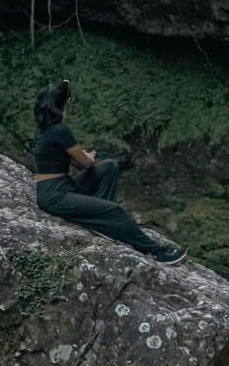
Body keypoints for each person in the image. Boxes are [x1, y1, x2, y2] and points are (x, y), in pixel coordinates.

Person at [32, 80, 185, 263]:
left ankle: (102, 222)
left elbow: (61, 159)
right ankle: (156, 252)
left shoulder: (47, 129)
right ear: (62, 104)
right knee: (114, 210)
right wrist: (88, 157)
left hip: (60, 186)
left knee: (110, 166)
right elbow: (86, 164)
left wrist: (84, 158)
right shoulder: (60, 130)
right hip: (55, 194)